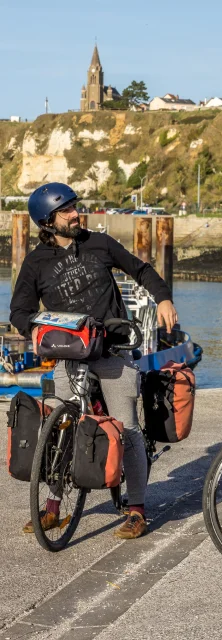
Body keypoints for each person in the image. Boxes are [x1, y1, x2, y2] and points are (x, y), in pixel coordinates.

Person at [10, 182, 178, 540]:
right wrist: (40, 332)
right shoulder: (37, 262)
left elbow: (141, 270)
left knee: (128, 428)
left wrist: (163, 298)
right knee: (58, 428)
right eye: (66, 210)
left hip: (113, 351)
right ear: (47, 221)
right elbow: (19, 312)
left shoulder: (100, 244)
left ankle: (137, 510)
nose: (76, 213)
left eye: (74, 206)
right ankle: (53, 505)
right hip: (67, 357)